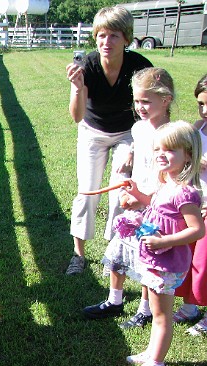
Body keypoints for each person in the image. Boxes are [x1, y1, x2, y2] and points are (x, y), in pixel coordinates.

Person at [64, 5, 153, 275]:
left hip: (128, 133)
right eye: (101, 35)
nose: (106, 42)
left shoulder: (140, 67)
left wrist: (135, 147)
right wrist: (78, 89)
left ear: (126, 38)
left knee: (120, 193)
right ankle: (78, 255)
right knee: (87, 192)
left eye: (114, 35)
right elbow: (77, 117)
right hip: (93, 131)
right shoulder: (86, 65)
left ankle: (114, 251)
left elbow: (150, 112)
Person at [82, 67, 173, 327]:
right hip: (133, 199)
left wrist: (144, 199)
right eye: (136, 100)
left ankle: (144, 309)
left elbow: (169, 179)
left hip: (154, 207)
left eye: (146, 101)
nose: (140, 106)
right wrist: (131, 155)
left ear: (165, 100)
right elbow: (139, 144)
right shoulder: (139, 129)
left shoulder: (170, 134)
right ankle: (114, 300)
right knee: (118, 251)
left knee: (147, 260)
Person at [122, 121, 204, 366]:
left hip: (167, 262)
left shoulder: (186, 193)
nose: (161, 154)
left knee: (161, 316)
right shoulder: (166, 183)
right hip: (156, 257)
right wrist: (139, 196)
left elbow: (197, 230)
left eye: (170, 150)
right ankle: (151, 352)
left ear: (188, 154)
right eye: (158, 149)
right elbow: (157, 207)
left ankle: (156, 365)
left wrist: (164, 240)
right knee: (158, 314)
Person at [174, 73, 207, 335]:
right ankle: (190, 305)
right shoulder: (199, 128)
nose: (205, 110)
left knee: (205, 261)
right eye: (201, 103)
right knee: (190, 257)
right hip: (194, 204)